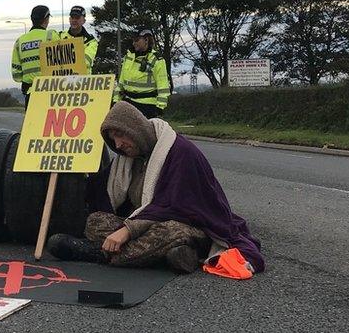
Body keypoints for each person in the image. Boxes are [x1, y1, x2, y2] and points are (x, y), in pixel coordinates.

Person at [47, 101, 265, 275]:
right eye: (113, 140)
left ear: (135, 129)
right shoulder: (130, 157)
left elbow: (174, 206)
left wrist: (127, 231)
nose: (118, 145)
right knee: (96, 221)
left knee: (170, 231)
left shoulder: (182, 153)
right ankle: (172, 256)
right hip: (144, 223)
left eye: (121, 135)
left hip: (193, 225)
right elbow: (102, 191)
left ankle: (99, 253)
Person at [113, 29, 170, 119]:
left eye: (137, 40)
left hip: (147, 106)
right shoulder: (129, 57)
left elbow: (163, 87)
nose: (134, 43)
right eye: (133, 40)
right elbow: (121, 83)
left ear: (146, 40)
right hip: (127, 103)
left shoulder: (157, 60)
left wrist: (159, 108)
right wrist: (115, 101)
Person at [11, 5, 61, 105]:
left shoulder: (20, 41)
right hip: (51, 92)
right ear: (46, 19)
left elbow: (16, 74)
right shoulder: (51, 36)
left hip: (30, 92)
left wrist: (28, 79)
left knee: (32, 121)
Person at [63, 5, 99, 72]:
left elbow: (85, 62)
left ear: (84, 21)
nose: (74, 20)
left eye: (77, 17)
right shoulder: (60, 36)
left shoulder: (91, 42)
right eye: (72, 17)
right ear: (69, 19)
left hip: (83, 80)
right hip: (64, 81)